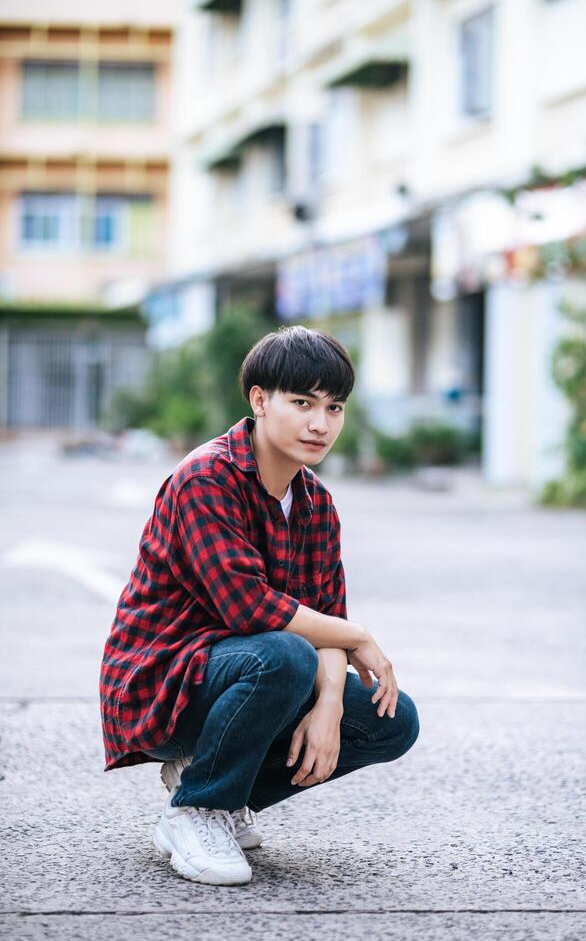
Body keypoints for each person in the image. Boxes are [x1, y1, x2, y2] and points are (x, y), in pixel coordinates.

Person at [99, 325, 419, 886]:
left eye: (334, 406)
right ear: (259, 400)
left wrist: (331, 705)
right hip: (161, 682)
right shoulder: (205, 479)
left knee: (391, 721)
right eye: (302, 403)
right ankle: (196, 811)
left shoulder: (316, 504)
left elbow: (326, 620)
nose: (321, 423)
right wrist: (357, 634)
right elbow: (250, 609)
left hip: (245, 673)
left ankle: (217, 791)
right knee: (283, 655)